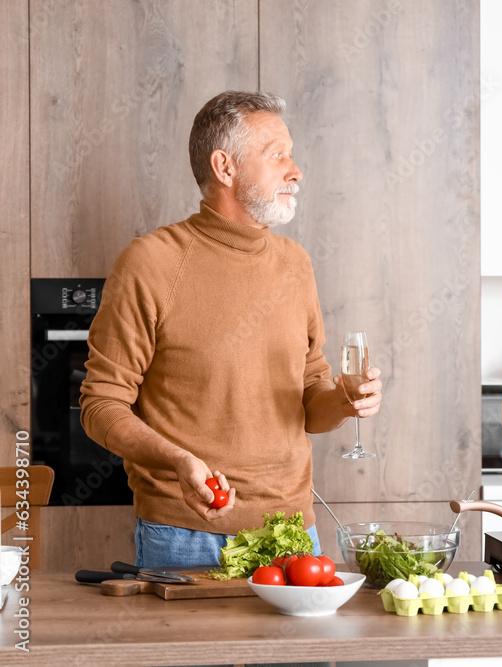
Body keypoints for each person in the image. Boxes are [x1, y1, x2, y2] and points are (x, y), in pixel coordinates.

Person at [80, 91, 382, 568]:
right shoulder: (152, 262)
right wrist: (178, 460)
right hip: (186, 534)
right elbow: (100, 405)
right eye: (277, 154)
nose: (295, 170)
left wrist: (344, 400)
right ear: (225, 167)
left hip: (294, 536)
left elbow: (310, 400)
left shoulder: (294, 264)